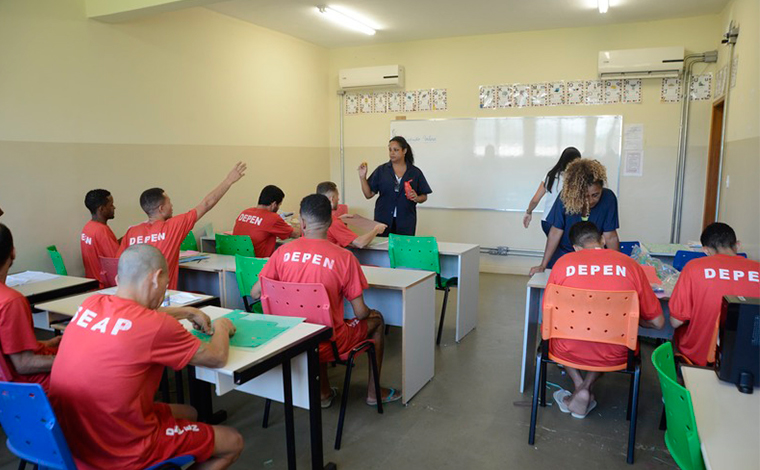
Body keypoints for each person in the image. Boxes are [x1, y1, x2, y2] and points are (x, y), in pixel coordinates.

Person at [49, 244, 243, 470]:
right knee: (233, 441)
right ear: (156, 278)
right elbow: (217, 357)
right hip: (121, 448)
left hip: (69, 440)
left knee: (190, 412)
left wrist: (188, 311)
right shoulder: (157, 326)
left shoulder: (92, 304)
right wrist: (221, 326)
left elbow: (134, 315)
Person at [249, 194, 400, 407]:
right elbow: (360, 313)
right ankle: (375, 392)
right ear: (330, 223)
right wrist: (371, 313)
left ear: (301, 222)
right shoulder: (345, 258)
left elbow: (255, 293)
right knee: (375, 321)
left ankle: (323, 392)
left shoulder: (281, 253)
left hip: (290, 339)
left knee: (312, 322)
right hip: (329, 344)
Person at [547, 221, 664, 418]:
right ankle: (585, 387)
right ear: (602, 240)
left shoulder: (562, 264)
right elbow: (659, 323)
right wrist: (636, 321)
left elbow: (549, 315)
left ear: (575, 248)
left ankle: (579, 387)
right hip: (617, 352)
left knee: (555, 331)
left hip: (566, 348)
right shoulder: (629, 265)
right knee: (608, 336)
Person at [118, 162, 246, 289]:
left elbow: (118, 263)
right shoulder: (174, 226)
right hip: (164, 298)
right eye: (169, 203)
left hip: (134, 296)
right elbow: (206, 204)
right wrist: (229, 181)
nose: (172, 205)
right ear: (161, 208)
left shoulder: (131, 232)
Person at [669, 223, 760, 366]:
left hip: (700, 358)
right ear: (737, 245)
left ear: (705, 249)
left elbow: (676, 321)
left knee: (677, 335)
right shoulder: (758, 269)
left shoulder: (693, 268)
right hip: (750, 359)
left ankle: (683, 382)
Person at [529, 159, 620, 276]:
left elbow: (611, 236)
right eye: (584, 196)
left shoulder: (608, 198)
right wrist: (543, 265)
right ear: (574, 193)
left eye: (595, 195)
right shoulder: (565, 197)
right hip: (565, 252)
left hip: (595, 256)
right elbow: (555, 232)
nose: (590, 201)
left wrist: (618, 266)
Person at [0, 224, 59, 389]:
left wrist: (47, 344)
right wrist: (71, 360)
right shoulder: (11, 301)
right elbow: (24, 364)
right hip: (25, 388)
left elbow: (7, 348)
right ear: (13, 252)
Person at [357, 136, 432, 236]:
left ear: (404, 151)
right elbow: (368, 194)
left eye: (396, 150)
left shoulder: (415, 172)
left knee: (404, 248)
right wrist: (362, 177)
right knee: (383, 248)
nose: (392, 153)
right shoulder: (382, 170)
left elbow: (424, 196)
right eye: (390, 150)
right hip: (383, 220)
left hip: (406, 221)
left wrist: (417, 198)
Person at [523, 147, 582, 235]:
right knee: (565, 248)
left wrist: (529, 212)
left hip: (547, 221)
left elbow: (535, 199)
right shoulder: (578, 178)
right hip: (566, 222)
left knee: (553, 246)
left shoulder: (551, 175)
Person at [232, 184, 300, 258]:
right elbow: (295, 234)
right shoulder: (272, 218)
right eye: (279, 205)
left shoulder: (245, 212)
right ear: (274, 204)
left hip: (239, 262)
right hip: (259, 263)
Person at [316, 181, 386, 248]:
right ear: (331, 199)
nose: (338, 199)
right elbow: (360, 243)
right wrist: (376, 230)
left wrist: (339, 219)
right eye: (337, 196)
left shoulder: (313, 218)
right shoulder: (334, 222)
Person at [81, 189, 120, 288]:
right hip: (104, 286)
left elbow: (101, 250)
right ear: (101, 209)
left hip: (91, 284)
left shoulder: (87, 227)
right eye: (111, 205)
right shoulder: (102, 231)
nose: (114, 207)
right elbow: (116, 263)